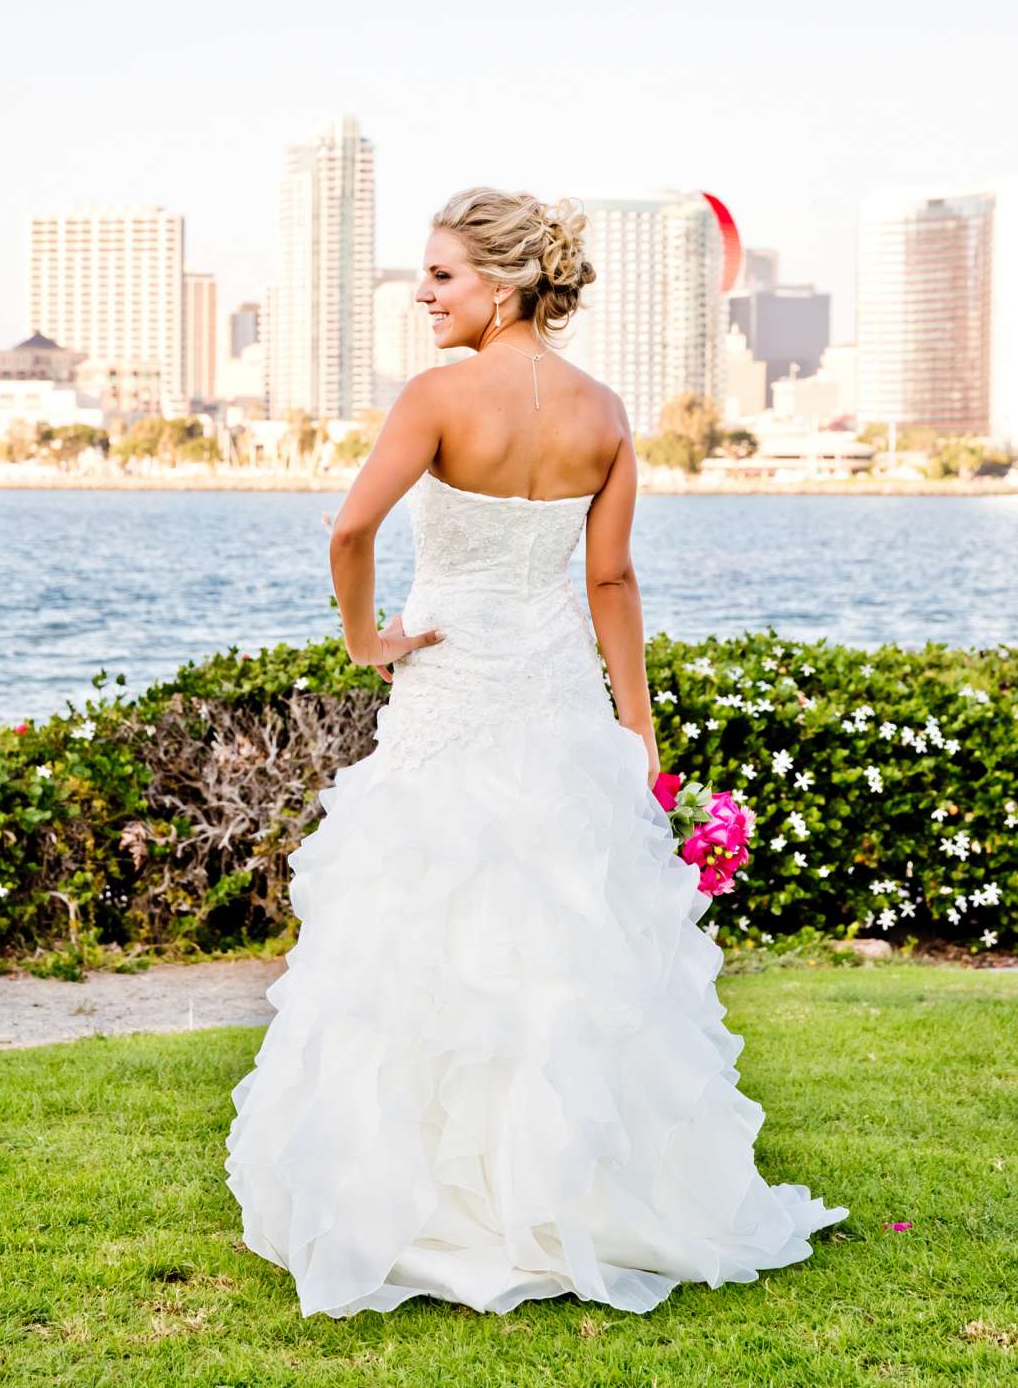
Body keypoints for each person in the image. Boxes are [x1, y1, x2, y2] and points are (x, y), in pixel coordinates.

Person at [223, 188, 846, 1318]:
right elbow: (609, 581)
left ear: (501, 287)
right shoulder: (604, 413)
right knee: (563, 939)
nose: (422, 293)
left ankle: (425, 1199)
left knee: (428, 927)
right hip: (557, 690)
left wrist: (369, 640)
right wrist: (638, 733)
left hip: (452, 680)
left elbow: (349, 528)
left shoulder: (438, 398)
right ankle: (580, 1197)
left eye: (442, 276)